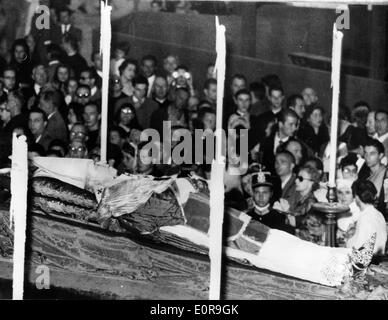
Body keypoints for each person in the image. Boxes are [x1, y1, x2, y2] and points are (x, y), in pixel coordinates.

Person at [347, 179, 387, 255]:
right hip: (378, 256)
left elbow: (357, 248)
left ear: (357, 197)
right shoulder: (379, 214)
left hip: (366, 261)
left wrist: (349, 237)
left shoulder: (365, 217)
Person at [252, 108, 299, 174]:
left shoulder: (296, 145)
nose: (294, 128)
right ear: (280, 124)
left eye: (295, 125)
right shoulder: (264, 142)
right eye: (291, 124)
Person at [358, 138, 387, 218]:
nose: (367, 157)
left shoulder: (385, 173)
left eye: (372, 153)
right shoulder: (363, 174)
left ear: (380, 155)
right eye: (366, 153)